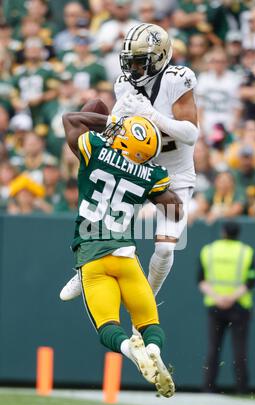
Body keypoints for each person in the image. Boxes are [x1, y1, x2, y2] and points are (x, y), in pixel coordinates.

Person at [60, 23, 199, 300]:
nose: (132, 69)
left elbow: (191, 134)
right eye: (130, 62)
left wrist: (152, 114)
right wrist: (114, 122)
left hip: (175, 173)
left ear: (159, 58)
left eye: (139, 62)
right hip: (139, 167)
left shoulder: (176, 79)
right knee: (101, 213)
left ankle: (148, 298)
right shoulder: (124, 84)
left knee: (165, 247)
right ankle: (84, 269)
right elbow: (126, 136)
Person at [61, 108, 183, 397]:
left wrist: (113, 120)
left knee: (108, 327)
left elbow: (71, 118)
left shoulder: (95, 149)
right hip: (125, 255)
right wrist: (149, 185)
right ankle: (151, 349)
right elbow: (175, 209)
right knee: (150, 324)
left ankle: (131, 351)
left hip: (91, 257)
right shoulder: (150, 173)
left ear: (124, 139)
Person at [198, 221, 255, 394]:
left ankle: (208, 387)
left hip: (215, 306)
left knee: (213, 348)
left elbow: (200, 280)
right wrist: (230, 298)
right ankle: (242, 389)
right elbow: (251, 281)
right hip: (239, 306)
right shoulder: (246, 252)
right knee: (240, 350)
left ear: (223, 232)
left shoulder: (208, 250)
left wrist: (217, 297)